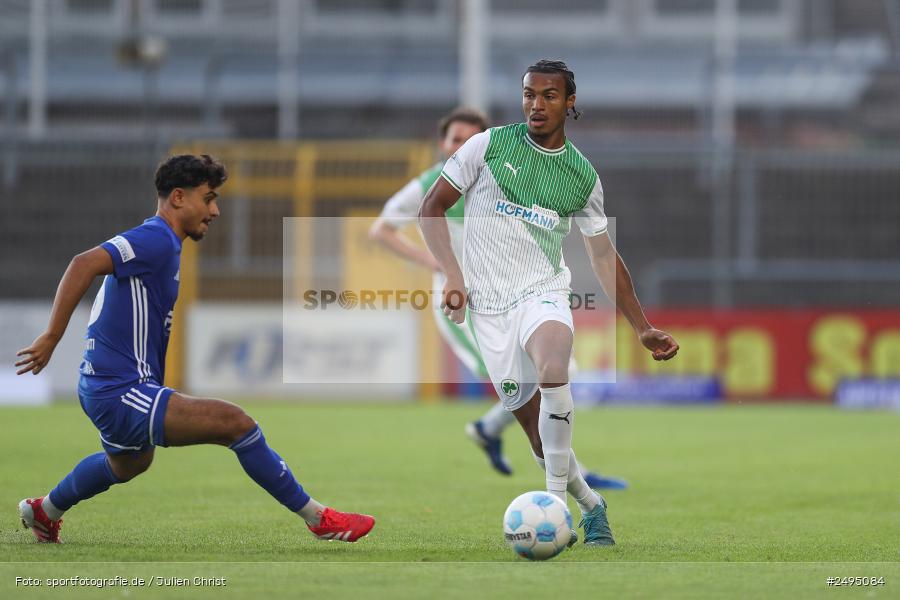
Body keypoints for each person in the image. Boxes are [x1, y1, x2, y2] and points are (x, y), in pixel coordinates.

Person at [15, 154, 374, 544]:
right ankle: (319, 518)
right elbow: (82, 263)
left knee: (130, 463)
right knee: (236, 424)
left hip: (108, 386)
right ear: (179, 198)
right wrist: (52, 336)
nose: (215, 210)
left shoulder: (165, 244)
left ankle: (44, 511)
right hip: (120, 389)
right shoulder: (155, 238)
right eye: (209, 198)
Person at [419, 60, 679, 546]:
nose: (537, 105)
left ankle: (554, 507)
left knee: (555, 368)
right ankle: (591, 505)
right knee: (540, 439)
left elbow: (603, 256)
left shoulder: (581, 177)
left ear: (569, 102)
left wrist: (641, 326)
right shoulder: (489, 145)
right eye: (529, 95)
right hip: (488, 311)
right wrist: (453, 274)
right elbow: (431, 206)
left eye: (549, 96)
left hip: (543, 291)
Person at [370, 108, 626, 489]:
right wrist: (438, 264)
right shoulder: (430, 183)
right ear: (443, 143)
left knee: (557, 374)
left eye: (468, 139)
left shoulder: (499, 173)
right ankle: (573, 479)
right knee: (535, 388)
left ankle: (493, 432)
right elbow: (382, 230)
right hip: (466, 303)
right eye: (455, 139)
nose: (460, 146)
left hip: (516, 294)